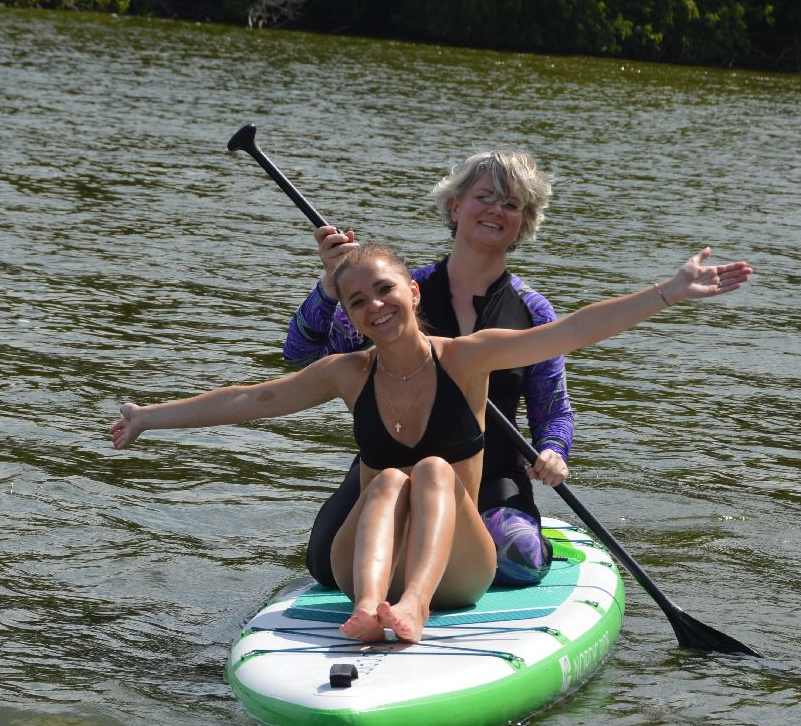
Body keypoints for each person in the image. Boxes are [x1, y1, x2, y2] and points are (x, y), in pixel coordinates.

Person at [110, 242, 753, 644]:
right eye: (357, 300)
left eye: (384, 290)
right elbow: (254, 398)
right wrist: (147, 416)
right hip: (361, 562)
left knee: (433, 472)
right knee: (387, 478)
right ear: (349, 315)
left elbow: (574, 332)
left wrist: (668, 293)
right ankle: (367, 608)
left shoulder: (469, 359)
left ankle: (411, 609)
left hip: (455, 571)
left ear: (412, 293)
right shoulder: (347, 372)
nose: (374, 306)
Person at [284, 149, 571, 590]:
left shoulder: (533, 310)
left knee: (519, 563)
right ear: (455, 206)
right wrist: (329, 284)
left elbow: (553, 412)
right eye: (485, 196)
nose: (497, 209)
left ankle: (497, 540)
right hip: (388, 470)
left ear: (523, 223)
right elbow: (304, 356)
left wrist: (553, 450)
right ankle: (401, 560)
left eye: (512, 204)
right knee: (324, 565)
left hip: (488, 476)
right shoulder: (395, 294)